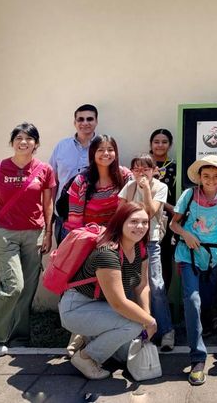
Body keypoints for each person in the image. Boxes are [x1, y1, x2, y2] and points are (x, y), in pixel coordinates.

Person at [0, 123, 56, 357]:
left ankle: (19, 337)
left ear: (36, 144)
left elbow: (48, 204)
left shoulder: (44, 169)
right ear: (12, 142)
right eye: (19, 137)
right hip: (5, 234)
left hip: (34, 234)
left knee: (27, 289)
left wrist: (48, 233)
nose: (24, 142)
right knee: (12, 286)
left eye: (29, 138)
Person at [58, 202, 155, 380]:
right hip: (77, 308)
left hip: (101, 307)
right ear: (120, 223)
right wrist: (149, 322)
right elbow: (118, 303)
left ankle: (91, 339)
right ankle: (85, 357)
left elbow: (142, 285)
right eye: (133, 221)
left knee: (126, 354)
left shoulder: (139, 248)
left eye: (144, 222)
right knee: (132, 326)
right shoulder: (107, 253)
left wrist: (146, 315)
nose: (140, 227)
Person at [169, 155, 217, 385]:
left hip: (213, 256)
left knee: (207, 301)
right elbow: (174, 223)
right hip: (187, 254)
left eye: (216, 176)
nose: (210, 180)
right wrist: (186, 235)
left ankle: (205, 334)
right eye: (206, 176)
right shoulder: (188, 195)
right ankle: (198, 357)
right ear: (199, 177)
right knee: (192, 300)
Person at [118, 154, 174, 352]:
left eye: (146, 169)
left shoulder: (160, 187)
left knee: (156, 285)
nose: (141, 173)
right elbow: (120, 213)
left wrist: (147, 190)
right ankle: (136, 329)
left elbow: (150, 213)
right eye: (137, 169)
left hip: (150, 241)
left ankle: (166, 330)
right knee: (130, 285)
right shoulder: (129, 186)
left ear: (154, 171)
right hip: (128, 241)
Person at [64, 135, 132, 238]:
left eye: (110, 150)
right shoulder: (81, 182)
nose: (106, 153)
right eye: (100, 150)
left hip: (120, 237)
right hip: (90, 239)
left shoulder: (125, 176)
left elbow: (132, 209)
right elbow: (75, 222)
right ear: (92, 153)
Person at [49, 104, 98, 243]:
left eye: (90, 119)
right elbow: (53, 182)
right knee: (65, 260)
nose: (85, 123)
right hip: (64, 214)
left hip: (94, 216)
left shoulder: (103, 147)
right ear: (74, 122)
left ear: (96, 122)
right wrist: (51, 211)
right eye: (80, 119)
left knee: (93, 263)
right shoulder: (61, 146)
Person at [149, 128, 177, 291]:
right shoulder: (143, 164)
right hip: (146, 216)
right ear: (151, 144)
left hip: (167, 219)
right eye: (156, 141)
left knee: (165, 258)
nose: (160, 145)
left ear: (170, 144)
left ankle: (162, 298)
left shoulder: (174, 167)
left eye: (164, 142)